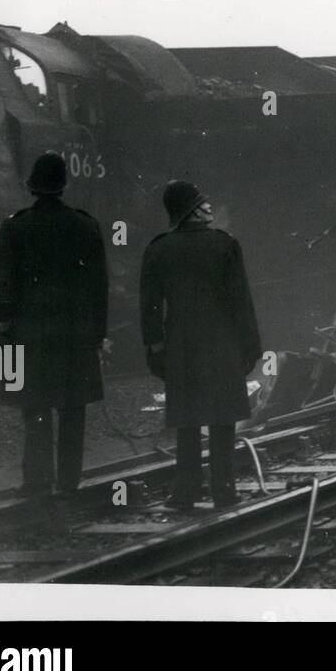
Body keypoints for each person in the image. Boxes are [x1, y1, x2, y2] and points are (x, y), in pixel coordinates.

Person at [0, 150, 109, 498]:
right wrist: (98, 334)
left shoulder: (15, 226)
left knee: (35, 408)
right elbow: (100, 286)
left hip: (31, 335)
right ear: (64, 186)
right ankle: (69, 482)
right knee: (73, 410)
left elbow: (2, 285)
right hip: (75, 334)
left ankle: (38, 482)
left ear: (33, 187)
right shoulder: (86, 225)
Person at [140, 181, 262, 509]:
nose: (208, 208)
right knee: (222, 420)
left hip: (181, 345)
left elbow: (150, 309)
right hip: (223, 344)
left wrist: (154, 349)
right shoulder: (225, 245)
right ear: (189, 209)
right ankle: (224, 488)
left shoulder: (158, 248)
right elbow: (242, 302)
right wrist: (251, 347)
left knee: (187, 421)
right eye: (202, 204)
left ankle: (186, 491)